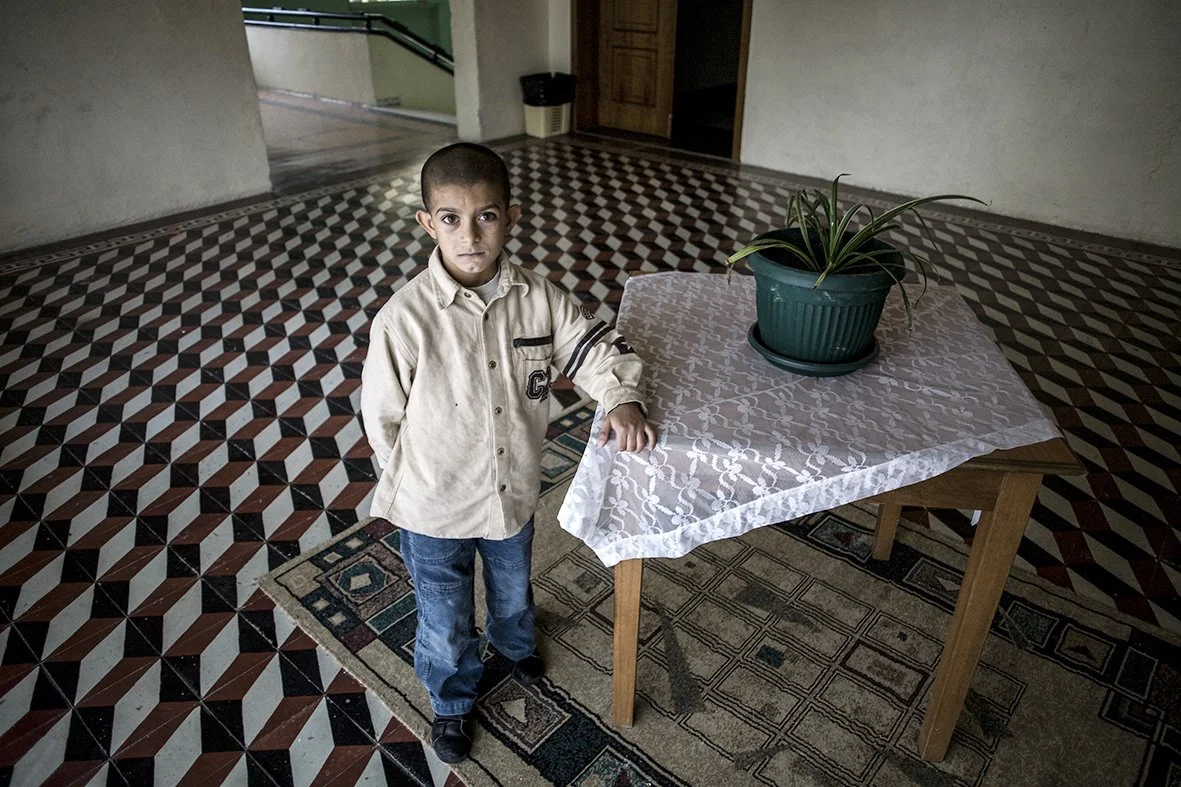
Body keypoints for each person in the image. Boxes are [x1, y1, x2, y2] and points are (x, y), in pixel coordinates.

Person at [360, 142, 657, 764]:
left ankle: (515, 645)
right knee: (443, 615)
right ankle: (452, 699)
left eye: (486, 216)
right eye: (450, 218)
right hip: (433, 505)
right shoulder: (403, 320)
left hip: (509, 490)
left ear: (511, 218)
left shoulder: (539, 298)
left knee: (512, 584)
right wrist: (411, 483)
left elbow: (593, 348)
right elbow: (382, 420)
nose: (470, 235)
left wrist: (621, 397)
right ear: (426, 222)